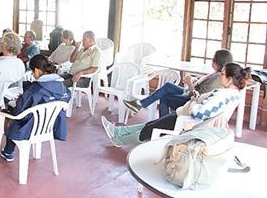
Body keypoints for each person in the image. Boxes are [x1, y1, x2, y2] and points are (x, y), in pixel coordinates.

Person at [102, 63, 250, 147]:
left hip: (187, 120)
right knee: (152, 123)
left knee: (150, 129)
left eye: (223, 74)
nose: (220, 76)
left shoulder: (223, 94)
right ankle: (120, 131)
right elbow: (207, 106)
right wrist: (197, 98)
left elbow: (199, 113)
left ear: (230, 79)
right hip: (184, 114)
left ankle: (119, 139)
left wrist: (193, 102)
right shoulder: (232, 94)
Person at [0, 55, 71, 162]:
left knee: (11, 114)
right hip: (51, 125)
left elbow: (20, 111)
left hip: (30, 127)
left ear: (37, 70)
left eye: (32, 72)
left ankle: (8, 151)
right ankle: (10, 151)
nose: (32, 75)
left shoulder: (35, 89)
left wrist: (14, 102)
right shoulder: (62, 86)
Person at [124, 49, 233, 117]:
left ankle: (159, 122)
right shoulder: (217, 74)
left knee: (164, 97)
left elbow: (195, 96)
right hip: (189, 92)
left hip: (191, 101)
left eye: (214, 60)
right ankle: (140, 104)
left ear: (220, 62)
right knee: (167, 86)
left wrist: (190, 83)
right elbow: (200, 87)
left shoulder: (218, 79)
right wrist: (193, 80)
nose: (211, 61)